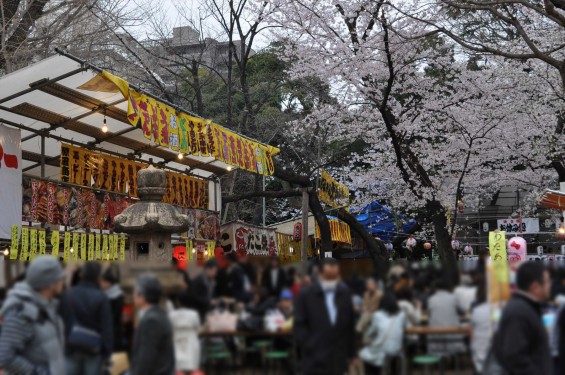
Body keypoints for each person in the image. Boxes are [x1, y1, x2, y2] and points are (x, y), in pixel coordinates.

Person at [0, 256, 66, 375]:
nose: (63, 281)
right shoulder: (21, 313)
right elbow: (5, 357)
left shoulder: (48, 307)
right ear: (50, 283)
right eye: (60, 277)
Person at [294, 258, 357, 375]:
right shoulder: (306, 295)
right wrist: (310, 345)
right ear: (320, 274)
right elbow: (299, 325)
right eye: (329, 276)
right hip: (314, 357)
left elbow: (350, 326)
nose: (332, 280)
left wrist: (352, 353)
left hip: (338, 357)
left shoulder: (345, 294)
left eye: (335, 276)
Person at [494, 261, 552, 375]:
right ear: (535, 287)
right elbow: (514, 355)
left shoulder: (526, 307)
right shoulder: (519, 312)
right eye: (547, 281)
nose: (550, 285)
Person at [62, 261, 113, 375]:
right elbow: (107, 327)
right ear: (99, 277)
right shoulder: (101, 297)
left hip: (71, 346)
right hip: (93, 348)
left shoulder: (68, 293)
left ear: (81, 274)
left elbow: (62, 320)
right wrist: (107, 353)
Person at [129, 275, 175, 375]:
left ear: (142, 296)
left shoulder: (151, 321)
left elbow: (145, 359)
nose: (133, 294)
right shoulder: (158, 315)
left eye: (135, 291)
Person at [359, 292, 406, 375]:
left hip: (382, 350)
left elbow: (371, 333)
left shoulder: (377, 315)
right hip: (397, 350)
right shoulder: (402, 315)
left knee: (365, 356)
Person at [427, 278, 466, 355]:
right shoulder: (453, 298)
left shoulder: (431, 299)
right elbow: (462, 311)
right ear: (448, 288)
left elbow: (429, 314)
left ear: (435, 288)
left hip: (436, 333)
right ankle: (455, 361)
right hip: (452, 333)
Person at [168, 296, 201, 375]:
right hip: (191, 338)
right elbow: (197, 327)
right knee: (192, 363)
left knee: (178, 365)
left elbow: (169, 328)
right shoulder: (194, 314)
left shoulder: (171, 314)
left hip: (176, 338)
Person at [100, 264, 125, 352]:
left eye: (103, 282)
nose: (101, 284)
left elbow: (115, 315)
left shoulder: (117, 295)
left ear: (109, 283)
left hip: (114, 332)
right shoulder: (104, 294)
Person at [470, 278, 490, 375]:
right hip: (498, 362)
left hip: (479, 357)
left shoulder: (476, 311)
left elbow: (472, 334)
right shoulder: (502, 310)